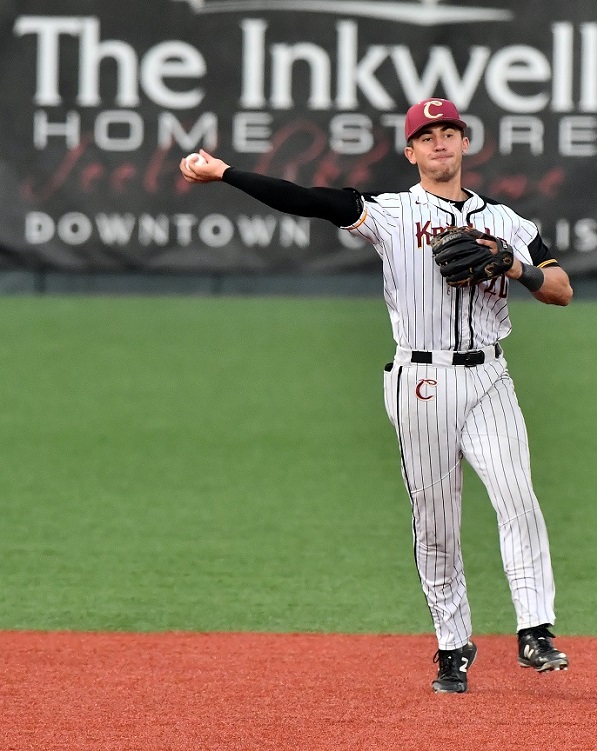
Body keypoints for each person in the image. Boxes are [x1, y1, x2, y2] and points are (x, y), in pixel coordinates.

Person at [180, 97, 573, 694]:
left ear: (466, 143)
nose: (440, 142)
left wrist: (516, 269)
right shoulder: (389, 214)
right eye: (427, 135)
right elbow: (307, 198)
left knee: (518, 496)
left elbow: (562, 289)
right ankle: (452, 644)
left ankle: (535, 630)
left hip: (491, 376)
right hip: (421, 382)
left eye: (450, 132)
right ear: (412, 152)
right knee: (437, 522)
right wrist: (225, 173)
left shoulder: (509, 224)